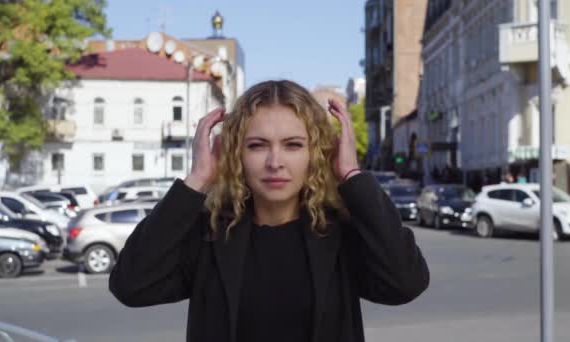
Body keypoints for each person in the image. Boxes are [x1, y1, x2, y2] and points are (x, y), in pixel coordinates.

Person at [109, 80, 430, 342]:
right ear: (235, 154)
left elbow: (406, 283)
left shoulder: (341, 234)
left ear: (316, 154)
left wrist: (352, 175)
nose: (275, 162)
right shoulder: (210, 234)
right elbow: (131, 285)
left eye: (293, 145)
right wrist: (197, 180)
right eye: (257, 145)